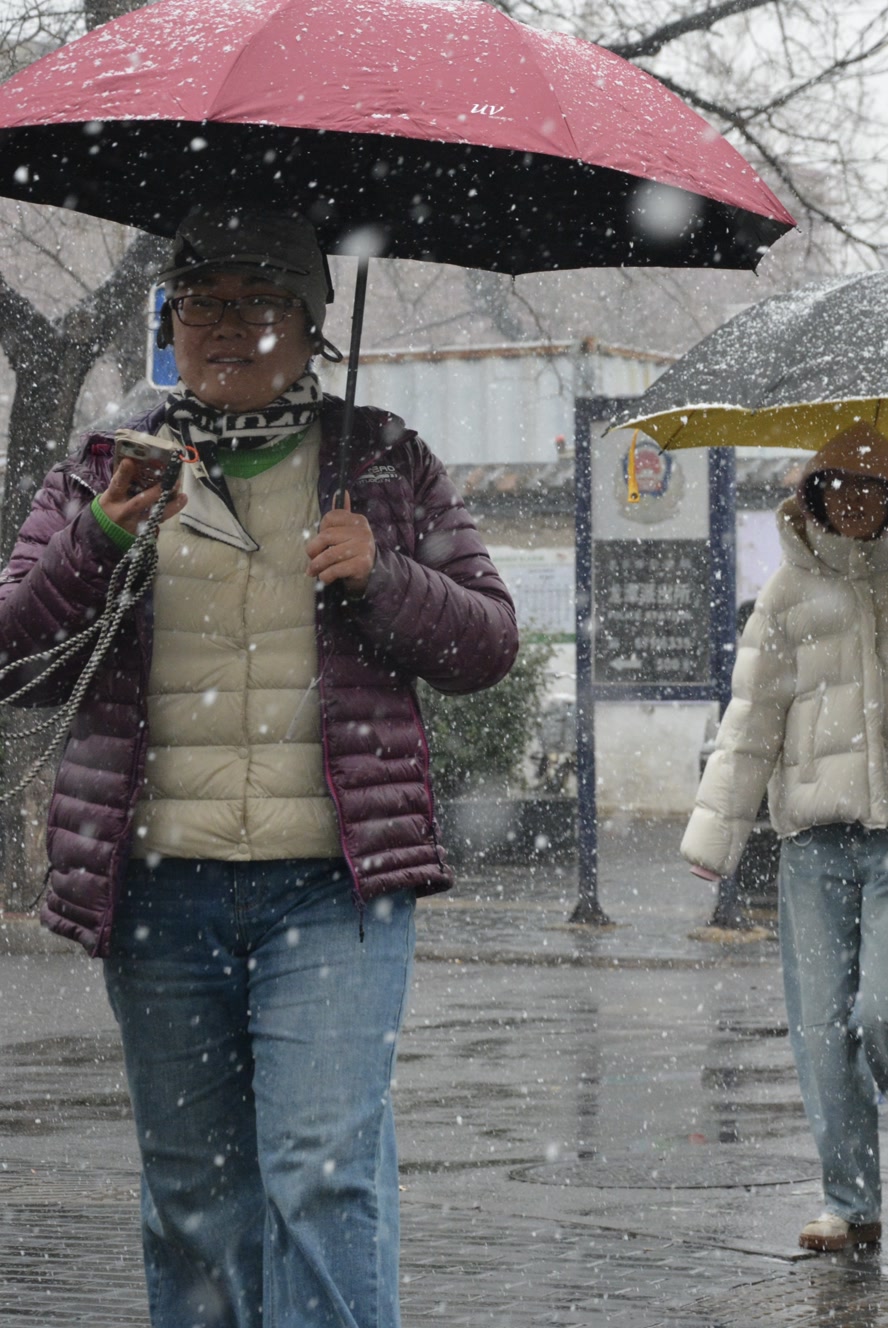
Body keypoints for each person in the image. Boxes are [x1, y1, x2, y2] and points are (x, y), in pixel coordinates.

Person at [0, 206, 518, 1328]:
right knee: (194, 1195)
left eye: (260, 301)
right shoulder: (104, 470)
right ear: (168, 324)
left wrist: (385, 576)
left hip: (331, 888)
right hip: (157, 889)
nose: (227, 326)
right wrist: (99, 541)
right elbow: (13, 660)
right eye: (201, 302)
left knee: (320, 1172)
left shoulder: (381, 462)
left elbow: (488, 644)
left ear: (314, 323)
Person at [682, 422, 888, 1254]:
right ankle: (849, 1202)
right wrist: (716, 835)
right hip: (814, 841)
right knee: (821, 1027)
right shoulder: (785, 594)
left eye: (869, 488)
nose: (850, 500)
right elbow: (752, 719)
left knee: (887, 1010)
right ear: (811, 497)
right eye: (834, 486)